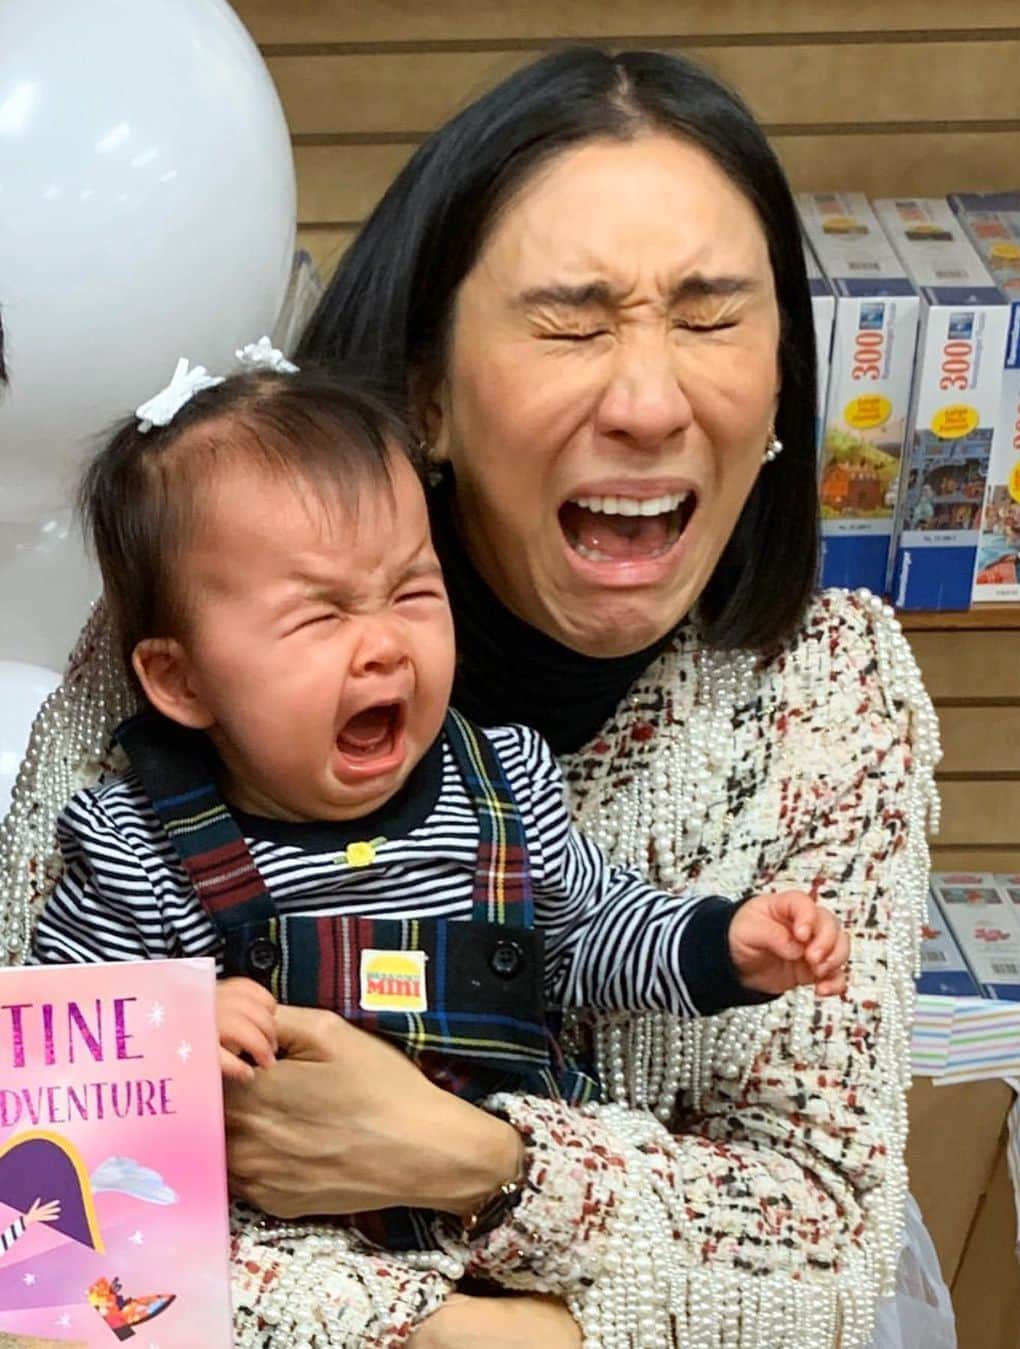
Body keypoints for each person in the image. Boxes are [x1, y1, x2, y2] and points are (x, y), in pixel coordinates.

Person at [0, 47, 940, 1349]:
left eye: (713, 315)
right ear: (431, 393)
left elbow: (823, 1252)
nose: (651, 399)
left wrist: (469, 1156)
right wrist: (442, 1329)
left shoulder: (814, 696)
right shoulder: (177, 660)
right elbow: (48, 1214)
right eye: (572, 318)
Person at [31, 355, 848, 1222]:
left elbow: (593, 937)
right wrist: (172, 1028)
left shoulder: (502, 788)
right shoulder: (140, 848)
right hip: (286, 1252)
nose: (384, 646)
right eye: (321, 614)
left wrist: (723, 946)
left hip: (503, 1228)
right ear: (181, 679)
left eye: (412, 590)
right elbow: (59, 1058)